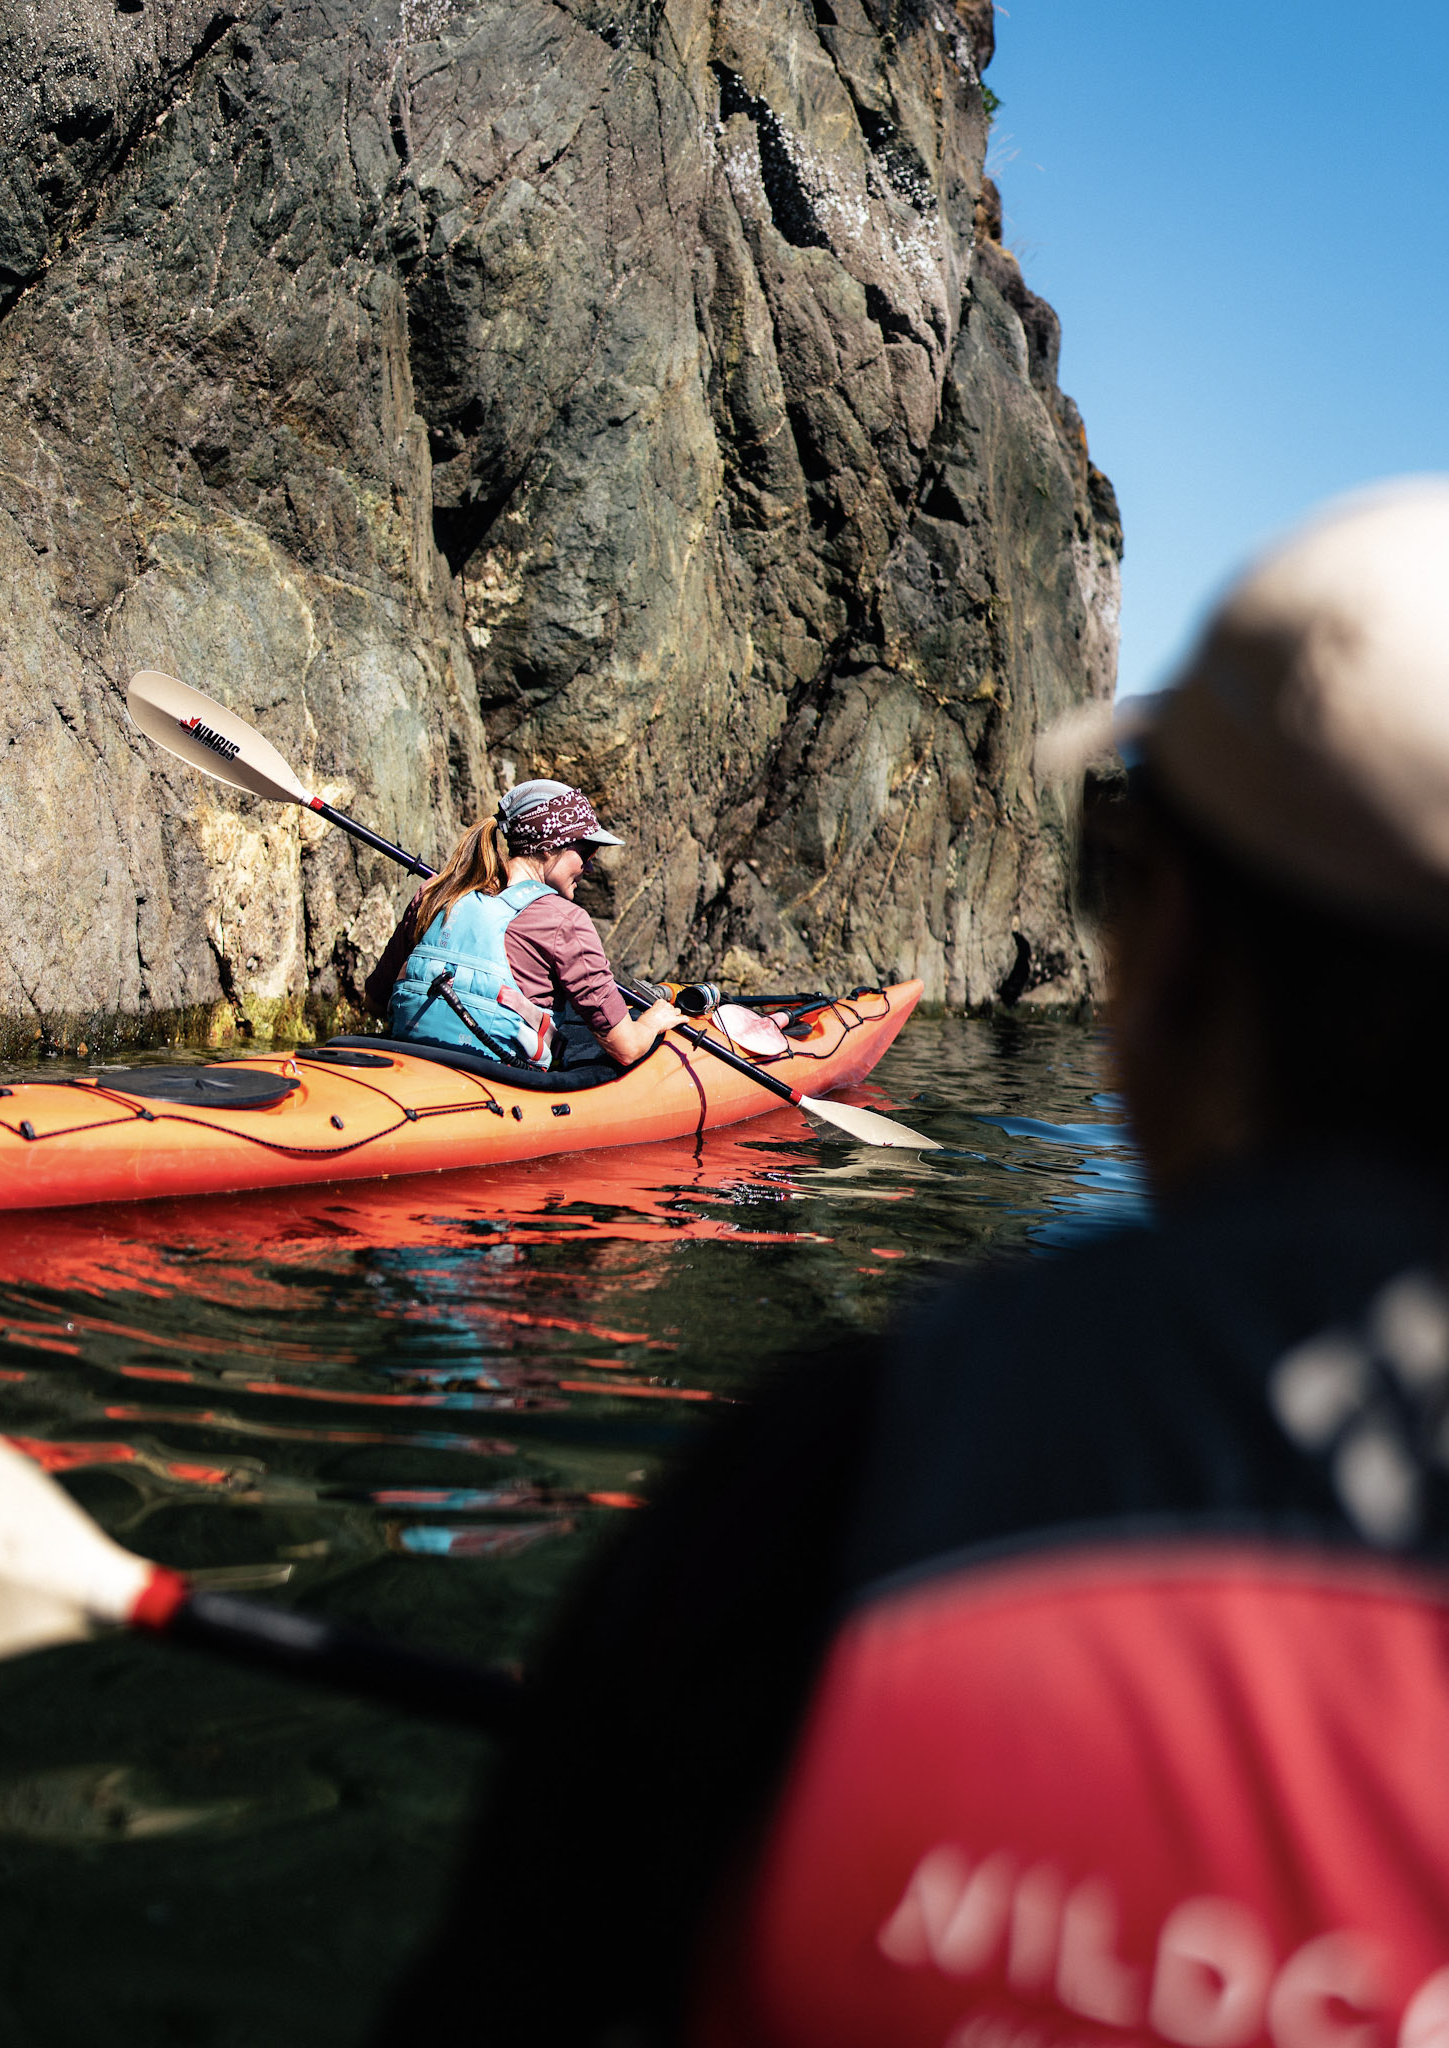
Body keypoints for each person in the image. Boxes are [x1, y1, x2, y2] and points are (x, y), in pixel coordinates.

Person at [375, 480, 1449, 2047]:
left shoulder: (818, 1484)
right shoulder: (813, 1473)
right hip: (516, 1113)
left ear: (1172, 959)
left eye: (1115, 876)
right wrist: (684, 1035)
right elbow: (612, 1041)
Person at [363, 778, 681, 1075]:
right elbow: (626, 1048)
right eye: (586, 852)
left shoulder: (435, 892)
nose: (590, 867)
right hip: (498, 1087)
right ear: (547, 846)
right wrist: (653, 1021)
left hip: (408, 1067)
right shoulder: (565, 920)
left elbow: (376, 1000)